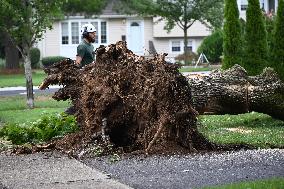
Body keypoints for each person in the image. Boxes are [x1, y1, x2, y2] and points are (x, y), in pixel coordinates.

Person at [65, 23, 97, 115]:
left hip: (92, 75)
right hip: (86, 77)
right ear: (86, 34)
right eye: (92, 33)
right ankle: (68, 114)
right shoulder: (82, 46)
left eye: (94, 33)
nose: (94, 34)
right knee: (83, 100)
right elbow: (78, 62)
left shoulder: (90, 46)